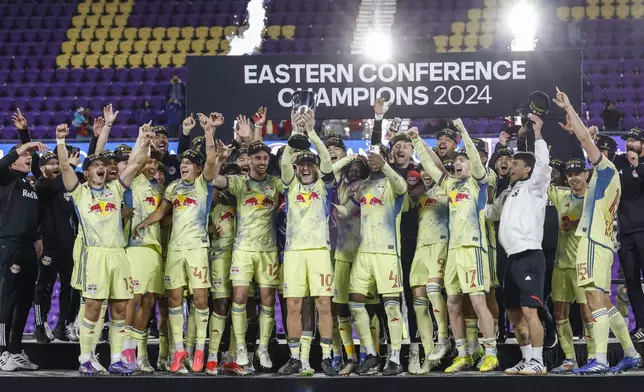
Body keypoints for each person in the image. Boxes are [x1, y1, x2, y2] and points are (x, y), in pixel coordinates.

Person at [552, 87, 641, 374]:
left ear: (603, 152)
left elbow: (583, 139)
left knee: (593, 303)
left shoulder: (604, 170)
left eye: (596, 149)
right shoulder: (611, 177)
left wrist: (570, 110)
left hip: (591, 243)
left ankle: (600, 359)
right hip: (602, 243)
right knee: (604, 301)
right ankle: (630, 352)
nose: (592, 153)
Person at [56, 121, 151, 375]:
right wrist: (61, 141)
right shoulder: (79, 192)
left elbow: (135, 164)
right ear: (86, 173)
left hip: (118, 255)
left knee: (121, 306)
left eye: (102, 165)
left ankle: (117, 358)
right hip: (94, 256)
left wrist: (142, 137)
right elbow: (65, 165)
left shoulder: (115, 189)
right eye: (95, 166)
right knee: (94, 307)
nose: (100, 168)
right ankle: (85, 357)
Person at [135, 113, 221, 373]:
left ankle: (199, 350)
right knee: (173, 298)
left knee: (200, 297)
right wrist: (144, 223)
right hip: (175, 250)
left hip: (197, 248)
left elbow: (209, 159)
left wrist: (208, 132)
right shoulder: (172, 188)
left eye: (188, 163)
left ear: (196, 169)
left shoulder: (203, 186)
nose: (184, 165)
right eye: (182, 162)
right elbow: (161, 212)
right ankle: (179, 350)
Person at [410, 119, 498, 373]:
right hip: (453, 251)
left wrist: (463, 133)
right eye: (456, 162)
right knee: (452, 303)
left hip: (473, 250)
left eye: (462, 161)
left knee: (478, 301)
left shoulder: (479, 183)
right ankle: (463, 354)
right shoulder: (451, 185)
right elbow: (431, 166)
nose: (457, 164)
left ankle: (490, 351)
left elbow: (475, 161)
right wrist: (417, 140)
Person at [210, 138, 283, 370]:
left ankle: (262, 348)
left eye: (265, 158)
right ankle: (240, 347)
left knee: (267, 301)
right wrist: (218, 159)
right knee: (239, 298)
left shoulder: (276, 183)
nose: (262, 162)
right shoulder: (239, 183)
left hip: (268, 251)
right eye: (257, 158)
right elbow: (211, 178)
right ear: (248, 160)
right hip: (242, 250)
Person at [339, 140, 407, 376]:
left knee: (391, 306)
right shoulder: (364, 185)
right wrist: (330, 204)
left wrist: (386, 165)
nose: (373, 162)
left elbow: (403, 187)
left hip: (387, 252)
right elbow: (347, 210)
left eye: (379, 158)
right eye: (372, 159)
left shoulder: (393, 183)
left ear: (385, 159)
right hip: (363, 252)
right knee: (355, 302)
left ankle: (395, 358)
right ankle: (371, 353)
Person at [491, 114, 551, 375]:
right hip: (511, 258)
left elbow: (543, 166)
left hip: (529, 255)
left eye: (515, 162)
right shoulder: (511, 191)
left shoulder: (534, 187)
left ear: (527, 169)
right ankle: (527, 359)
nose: (510, 165)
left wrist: (537, 135)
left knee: (529, 310)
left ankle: (538, 361)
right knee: (513, 312)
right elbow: (489, 214)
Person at [0, 140, 48, 371]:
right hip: (8, 244)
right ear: (13, 160)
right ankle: (1, 353)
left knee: (24, 299)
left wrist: (37, 236)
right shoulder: (5, 179)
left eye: (30, 156)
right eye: (24, 156)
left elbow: (31, 215)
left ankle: (15, 349)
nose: (29, 158)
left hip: (28, 247)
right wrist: (24, 141)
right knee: (6, 299)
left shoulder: (27, 183)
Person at [548, 159, 595, 373]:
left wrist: (576, 224)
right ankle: (569, 358)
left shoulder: (595, 198)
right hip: (561, 264)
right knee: (559, 313)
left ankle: (595, 356)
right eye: (570, 174)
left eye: (578, 173)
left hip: (584, 264)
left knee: (588, 313)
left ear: (586, 174)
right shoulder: (561, 195)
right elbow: (540, 180)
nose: (574, 178)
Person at [122, 150, 167, 372]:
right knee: (133, 299)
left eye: (155, 163)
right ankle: (125, 350)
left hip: (155, 249)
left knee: (149, 301)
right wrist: (145, 145)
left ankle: (140, 354)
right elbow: (134, 163)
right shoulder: (133, 182)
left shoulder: (159, 189)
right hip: (135, 247)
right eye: (148, 161)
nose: (152, 166)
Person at [407, 151, 450, 373]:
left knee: (434, 290)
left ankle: (443, 338)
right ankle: (428, 353)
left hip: (441, 244)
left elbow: (441, 170)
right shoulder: (419, 194)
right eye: (421, 169)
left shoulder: (447, 187)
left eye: (428, 168)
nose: (425, 173)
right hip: (420, 248)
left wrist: (419, 144)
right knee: (418, 298)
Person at [205, 162, 240, 375]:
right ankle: (211, 357)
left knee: (240, 305)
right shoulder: (212, 201)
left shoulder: (244, 200)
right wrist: (208, 227)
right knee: (220, 304)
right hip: (218, 256)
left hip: (243, 256)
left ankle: (233, 357)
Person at [613, 128, 644, 341]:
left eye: (634, 140)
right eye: (627, 141)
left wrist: (637, 166)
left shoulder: (636, 165)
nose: (629, 144)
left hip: (643, 231)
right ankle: (642, 324)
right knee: (631, 281)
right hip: (626, 232)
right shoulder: (620, 164)